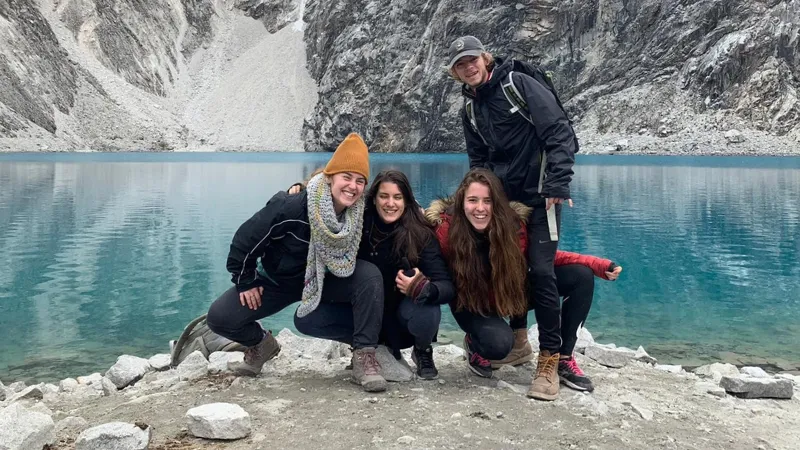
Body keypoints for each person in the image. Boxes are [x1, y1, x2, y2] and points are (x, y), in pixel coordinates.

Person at [447, 36, 578, 399]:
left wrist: (557, 183)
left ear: (484, 58)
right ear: (455, 72)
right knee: (508, 265)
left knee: (541, 271)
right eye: (460, 64)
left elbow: (559, 132)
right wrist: (476, 199)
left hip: (541, 199)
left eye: (472, 59)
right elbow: (478, 160)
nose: (468, 67)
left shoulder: (517, 84)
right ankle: (519, 342)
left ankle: (549, 361)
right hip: (503, 203)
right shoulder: (470, 108)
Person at [205, 133, 388, 392]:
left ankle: (364, 354)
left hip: (325, 281)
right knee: (220, 317)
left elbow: (395, 213)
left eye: (360, 181)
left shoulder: (360, 213)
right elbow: (245, 240)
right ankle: (261, 344)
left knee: (369, 276)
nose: (353, 186)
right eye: (346, 177)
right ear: (329, 177)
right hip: (276, 280)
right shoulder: (291, 207)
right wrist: (246, 281)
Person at [427, 169, 621, 398]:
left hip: (506, 295)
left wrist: (595, 264)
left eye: (487, 201)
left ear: (496, 203)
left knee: (580, 276)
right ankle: (474, 342)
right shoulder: (445, 230)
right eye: (473, 200)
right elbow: (427, 261)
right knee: (498, 346)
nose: (480, 208)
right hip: (472, 304)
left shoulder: (512, 226)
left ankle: (564, 359)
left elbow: (544, 258)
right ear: (461, 202)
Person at [290, 170, 455, 380]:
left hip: (400, 319)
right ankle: (363, 348)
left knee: (428, 312)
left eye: (397, 197)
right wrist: (303, 190)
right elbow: (331, 200)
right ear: (374, 198)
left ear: (407, 200)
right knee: (306, 317)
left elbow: (446, 287)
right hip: (364, 314)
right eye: (384, 196)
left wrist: (424, 288)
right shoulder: (358, 221)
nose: (390, 204)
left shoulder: (421, 234)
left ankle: (422, 349)